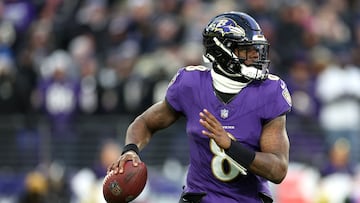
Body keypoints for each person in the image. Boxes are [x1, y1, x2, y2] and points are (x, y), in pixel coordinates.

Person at [108, 11, 292, 203]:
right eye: (245, 49)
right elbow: (145, 123)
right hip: (200, 198)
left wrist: (231, 146)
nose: (255, 54)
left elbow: (278, 170)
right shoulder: (190, 84)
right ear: (222, 51)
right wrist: (130, 149)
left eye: (256, 48)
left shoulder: (269, 91)